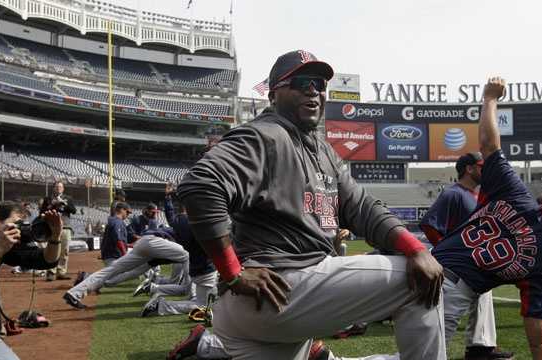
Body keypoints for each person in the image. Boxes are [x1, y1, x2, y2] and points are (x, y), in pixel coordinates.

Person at [178, 50, 445, 360]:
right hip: (281, 284)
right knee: (417, 281)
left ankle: (205, 348)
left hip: (258, 309)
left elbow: (361, 207)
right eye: (301, 82)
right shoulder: (266, 135)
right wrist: (234, 273)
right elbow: (201, 185)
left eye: (319, 83)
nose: (313, 90)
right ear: (275, 92)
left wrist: (414, 246)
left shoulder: (320, 149)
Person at [431, 78, 542, 360]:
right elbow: (536, 325)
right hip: (454, 291)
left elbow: (489, 144)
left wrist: (490, 98)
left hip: (427, 268)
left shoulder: (515, 193)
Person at [420, 153, 513, 360]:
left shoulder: (475, 195)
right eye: (481, 166)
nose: (485, 170)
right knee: (443, 319)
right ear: (469, 169)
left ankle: (480, 347)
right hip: (454, 265)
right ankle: (475, 347)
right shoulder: (453, 193)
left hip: (472, 263)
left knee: (483, 291)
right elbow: (429, 224)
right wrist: (444, 251)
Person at [0, 201, 62, 359]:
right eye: (16, 224)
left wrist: (54, 237)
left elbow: (47, 260)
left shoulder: (6, 244)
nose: (20, 229)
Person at [137, 186, 218, 317]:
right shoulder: (198, 222)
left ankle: (155, 293)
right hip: (205, 267)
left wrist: (168, 198)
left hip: (194, 265)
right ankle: (160, 306)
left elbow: (171, 217)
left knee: (193, 295)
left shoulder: (180, 221)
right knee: (201, 305)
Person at [63, 226, 189, 309]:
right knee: (188, 255)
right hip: (153, 242)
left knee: (118, 271)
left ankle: (74, 293)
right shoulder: (190, 231)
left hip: (147, 248)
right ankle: (192, 295)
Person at [40, 181, 76, 281]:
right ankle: (51, 272)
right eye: (57, 187)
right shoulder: (48, 199)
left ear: (63, 189)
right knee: (52, 250)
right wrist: (52, 205)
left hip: (65, 227)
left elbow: (73, 210)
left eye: (60, 187)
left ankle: (61, 272)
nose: (59, 188)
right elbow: (42, 212)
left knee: (64, 251)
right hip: (52, 227)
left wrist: (64, 204)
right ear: (54, 188)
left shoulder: (68, 198)